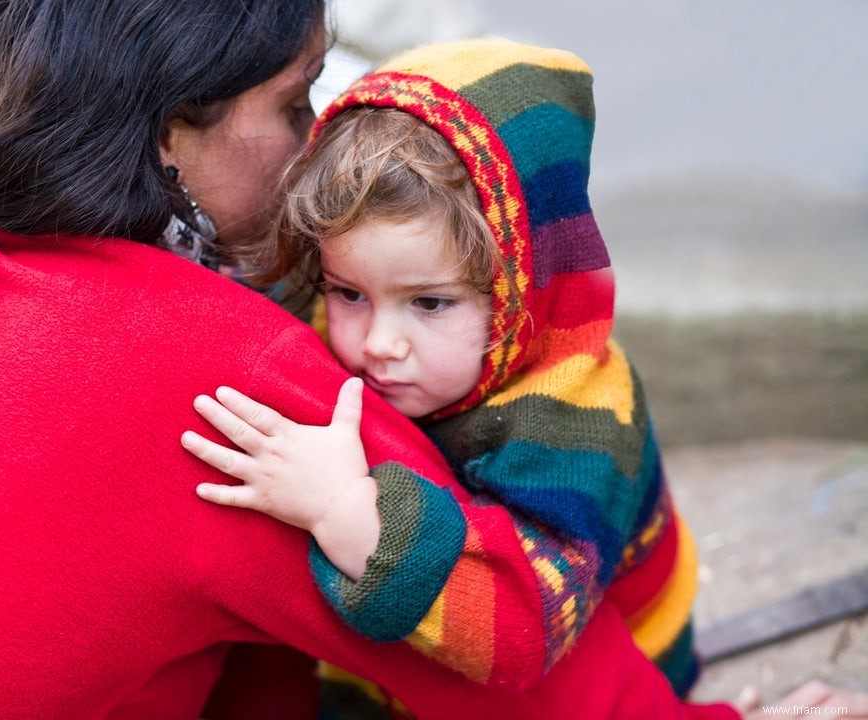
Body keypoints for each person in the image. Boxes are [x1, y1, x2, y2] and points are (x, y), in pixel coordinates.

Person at [0, 2, 747, 718]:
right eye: (296, 103)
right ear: (167, 133)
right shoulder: (213, 377)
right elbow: (515, 674)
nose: (310, 149)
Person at [182, 38, 868, 720]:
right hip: (410, 646)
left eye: (430, 303)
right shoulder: (364, 343)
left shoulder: (576, 419)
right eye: (346, 290)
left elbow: (524, 629)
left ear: (520, 290)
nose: (379, 343)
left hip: (599, 662)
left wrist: (344, 511)